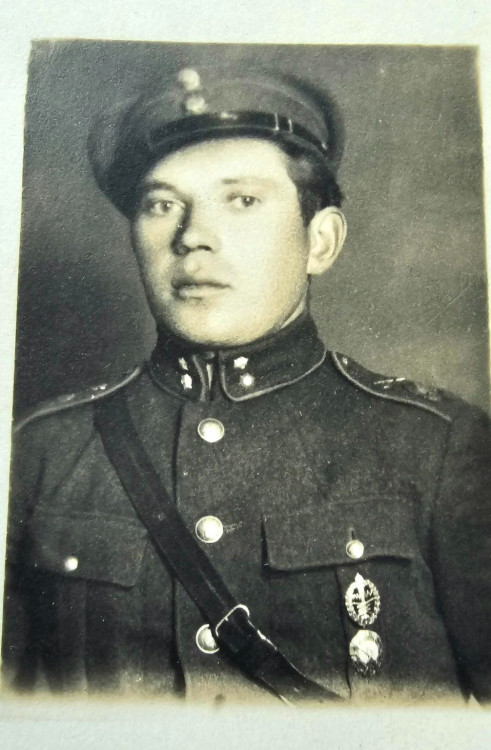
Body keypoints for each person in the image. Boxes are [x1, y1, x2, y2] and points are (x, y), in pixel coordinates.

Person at [2, 64, 490, 705]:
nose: (193, 238)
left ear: (321, 241)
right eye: (162, 205)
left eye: (242, 200)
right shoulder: (39, 453)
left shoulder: (440, 447)